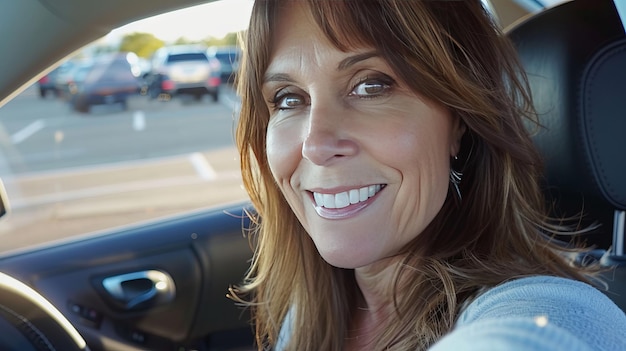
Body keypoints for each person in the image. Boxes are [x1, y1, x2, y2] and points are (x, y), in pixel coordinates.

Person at [230, 0, 626, 350]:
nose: (315, 144)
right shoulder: (310, 315)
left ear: (458, 120)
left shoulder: (545, 307)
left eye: (371, 86)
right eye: (288, 99)